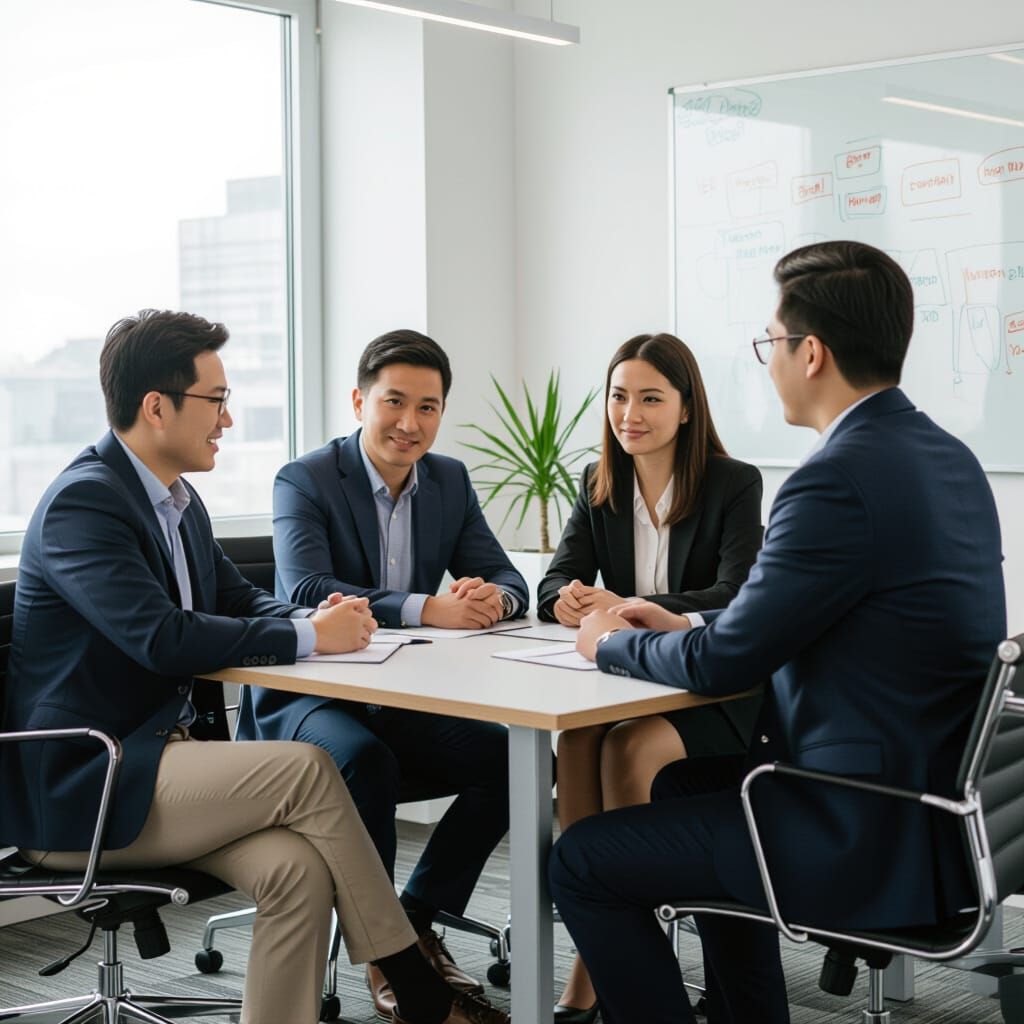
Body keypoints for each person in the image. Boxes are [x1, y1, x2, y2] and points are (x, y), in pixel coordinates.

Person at [1, 310, 509, 1024]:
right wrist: (311, 640)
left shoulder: (174, 500)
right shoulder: (85, 503)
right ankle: (413, 980)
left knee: (296, 872)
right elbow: (163, 638)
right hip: (88, 782)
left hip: (158, 764)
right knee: (309, 769)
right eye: (216, 401)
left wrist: (318, 619)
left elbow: (242, 599)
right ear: (157, 407)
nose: (229, 420)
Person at [550, 241, 1007, 1024]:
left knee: (583, 861)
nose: (768, 362)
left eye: (772, 343)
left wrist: (610, 642)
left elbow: (729, 662)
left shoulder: (834, 478)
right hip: (924, 808)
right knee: (681, 786)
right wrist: (685, 616)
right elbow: (801, 612)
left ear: (813, 353)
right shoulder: (946, 456)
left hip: (851, 824)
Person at [237, 328, 529, 1019]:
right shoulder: (303, 479)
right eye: (394, 402)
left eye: (428, 407)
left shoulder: (448, 480)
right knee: (364, 763)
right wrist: (426, 605)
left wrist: (495, 598)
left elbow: (505, 573)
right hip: (303, 698)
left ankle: (414, 917)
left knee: (508, 755)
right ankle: (387, 958)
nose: (409, 423)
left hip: (399, 694)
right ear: (358, 400)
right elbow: (307, 587)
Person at [536, 332, 763, 1021]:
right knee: (576, 743)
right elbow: (554, 576)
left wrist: (637, 608)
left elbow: (738, 592)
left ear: (686, 408)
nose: (629, 413)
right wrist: (567, 598)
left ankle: (627, 964)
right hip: (626, 680)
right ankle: (598, 955)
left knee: (629, 749)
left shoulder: (732, 483)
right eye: (618, 396)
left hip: (711, 687)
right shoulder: (598, 482)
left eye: (650, 398)